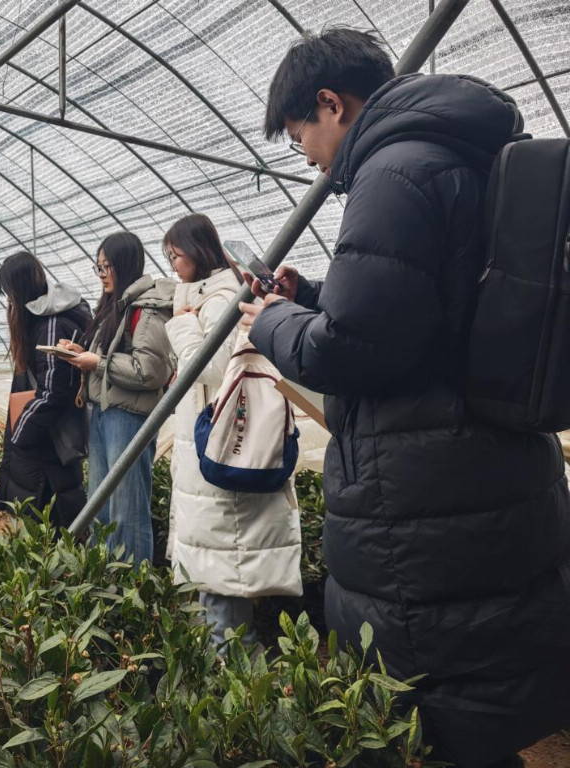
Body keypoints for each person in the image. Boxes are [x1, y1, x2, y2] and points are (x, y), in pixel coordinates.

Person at [240, 28, 570, 768]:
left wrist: (273, 321)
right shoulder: (466, 154)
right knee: (475, 714)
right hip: (489, 466)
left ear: (332, 103)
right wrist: (317, 295)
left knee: (426, 719)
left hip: (422, 499)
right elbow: (437, 310)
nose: (309, 158)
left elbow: (353, 349)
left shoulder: (395, 170)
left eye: (302, 137)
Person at [163, 213, 302, 649]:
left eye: (178, 256)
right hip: (209, 454)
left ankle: (241, 699)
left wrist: (182, 325)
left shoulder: (224, 296)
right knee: (215, 586)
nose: (173, 266)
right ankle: (232, 692)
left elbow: (215, 366)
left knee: (224, 592)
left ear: (200, 253)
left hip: (224, 452)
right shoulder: (203, 294)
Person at [60, 232, 175, 564]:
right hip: (103, 412)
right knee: (101, 504)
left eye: (107, 266)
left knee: (128, 509)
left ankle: (133, 588)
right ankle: (104, 579)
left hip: (128, 417)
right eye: (98, 267)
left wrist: (97, 363)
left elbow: (149, 370)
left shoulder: (148, 310)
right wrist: (83, 353)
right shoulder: (114, 306)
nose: (102, 274)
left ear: (126, 264)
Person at [0, 252, 91, 528]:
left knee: (49, 524)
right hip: (44, 443)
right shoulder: (45, 320)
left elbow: (52, 393)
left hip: (46, 445)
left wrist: (20, 433)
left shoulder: (51, 324)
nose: (10, 302)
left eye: (10, 294)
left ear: (20, 289)